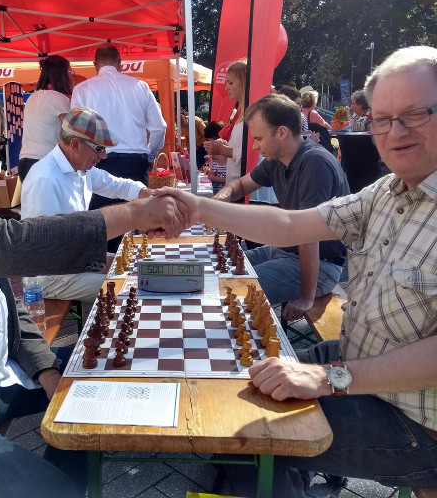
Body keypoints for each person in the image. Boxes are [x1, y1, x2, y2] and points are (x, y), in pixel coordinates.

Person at [160, 45, 437, 496]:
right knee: (237, 393)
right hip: (356, 363)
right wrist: (198, 207)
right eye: (382, 119)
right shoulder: (385, 191)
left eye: (415, 114)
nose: (394, 131)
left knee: (249, 434)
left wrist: (330, 379)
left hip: (413, 419)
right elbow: (291, 224)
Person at [0, 81, 188, 498]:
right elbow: (14, 249)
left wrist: (45, 366)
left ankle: (65, 464)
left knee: (109, 366)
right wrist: (137, 214)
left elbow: (2, 308)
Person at [213, 93, 349, 320]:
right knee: (219, 271)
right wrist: (222, 197)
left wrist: (307, 297)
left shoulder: (315, 163)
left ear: (282, 132)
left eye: (259, 138)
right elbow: (239, 185)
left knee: (229, 291)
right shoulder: (276, 159)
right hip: (285, 250)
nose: (255, 146)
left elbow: (308, 236)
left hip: (321, 266)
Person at [21, 106, 153, 303]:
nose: (104, 156)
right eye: (99, 149)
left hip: (73, 263)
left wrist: (150, 194)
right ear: (75, 144)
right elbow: (47, 249)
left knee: (138, 268)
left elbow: (115, 184)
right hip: (49, 278)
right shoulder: (45, 180)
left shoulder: (79, 167)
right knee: (133, 289)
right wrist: (98, 261)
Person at [71, 43, 167, 252]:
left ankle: (105, 277)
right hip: (134, 162)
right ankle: (134, 275)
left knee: (103, 225)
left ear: (94, 64)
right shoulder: (140, 86)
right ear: (120, 64)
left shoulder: (82, 89)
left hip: (98, 162)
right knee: (137, 224)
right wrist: (150, 156)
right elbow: (159, 128)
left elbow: (75, 133)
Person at [18, 55, 73, 181]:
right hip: (45, 161)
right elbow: (72, 131)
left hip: (25, 162)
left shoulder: (33, 97)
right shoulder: (58, 98)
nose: (71, 76)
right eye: (70, 71)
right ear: (62, 74)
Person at [203, 59, 247, 184]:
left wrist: (222, 150)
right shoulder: (241, 113)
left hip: (249, 191)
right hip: (238, 184)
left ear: (244, 82)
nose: (226, 87)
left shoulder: (253, 113)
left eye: (231, 82)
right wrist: (225, 145)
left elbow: (254, 155)